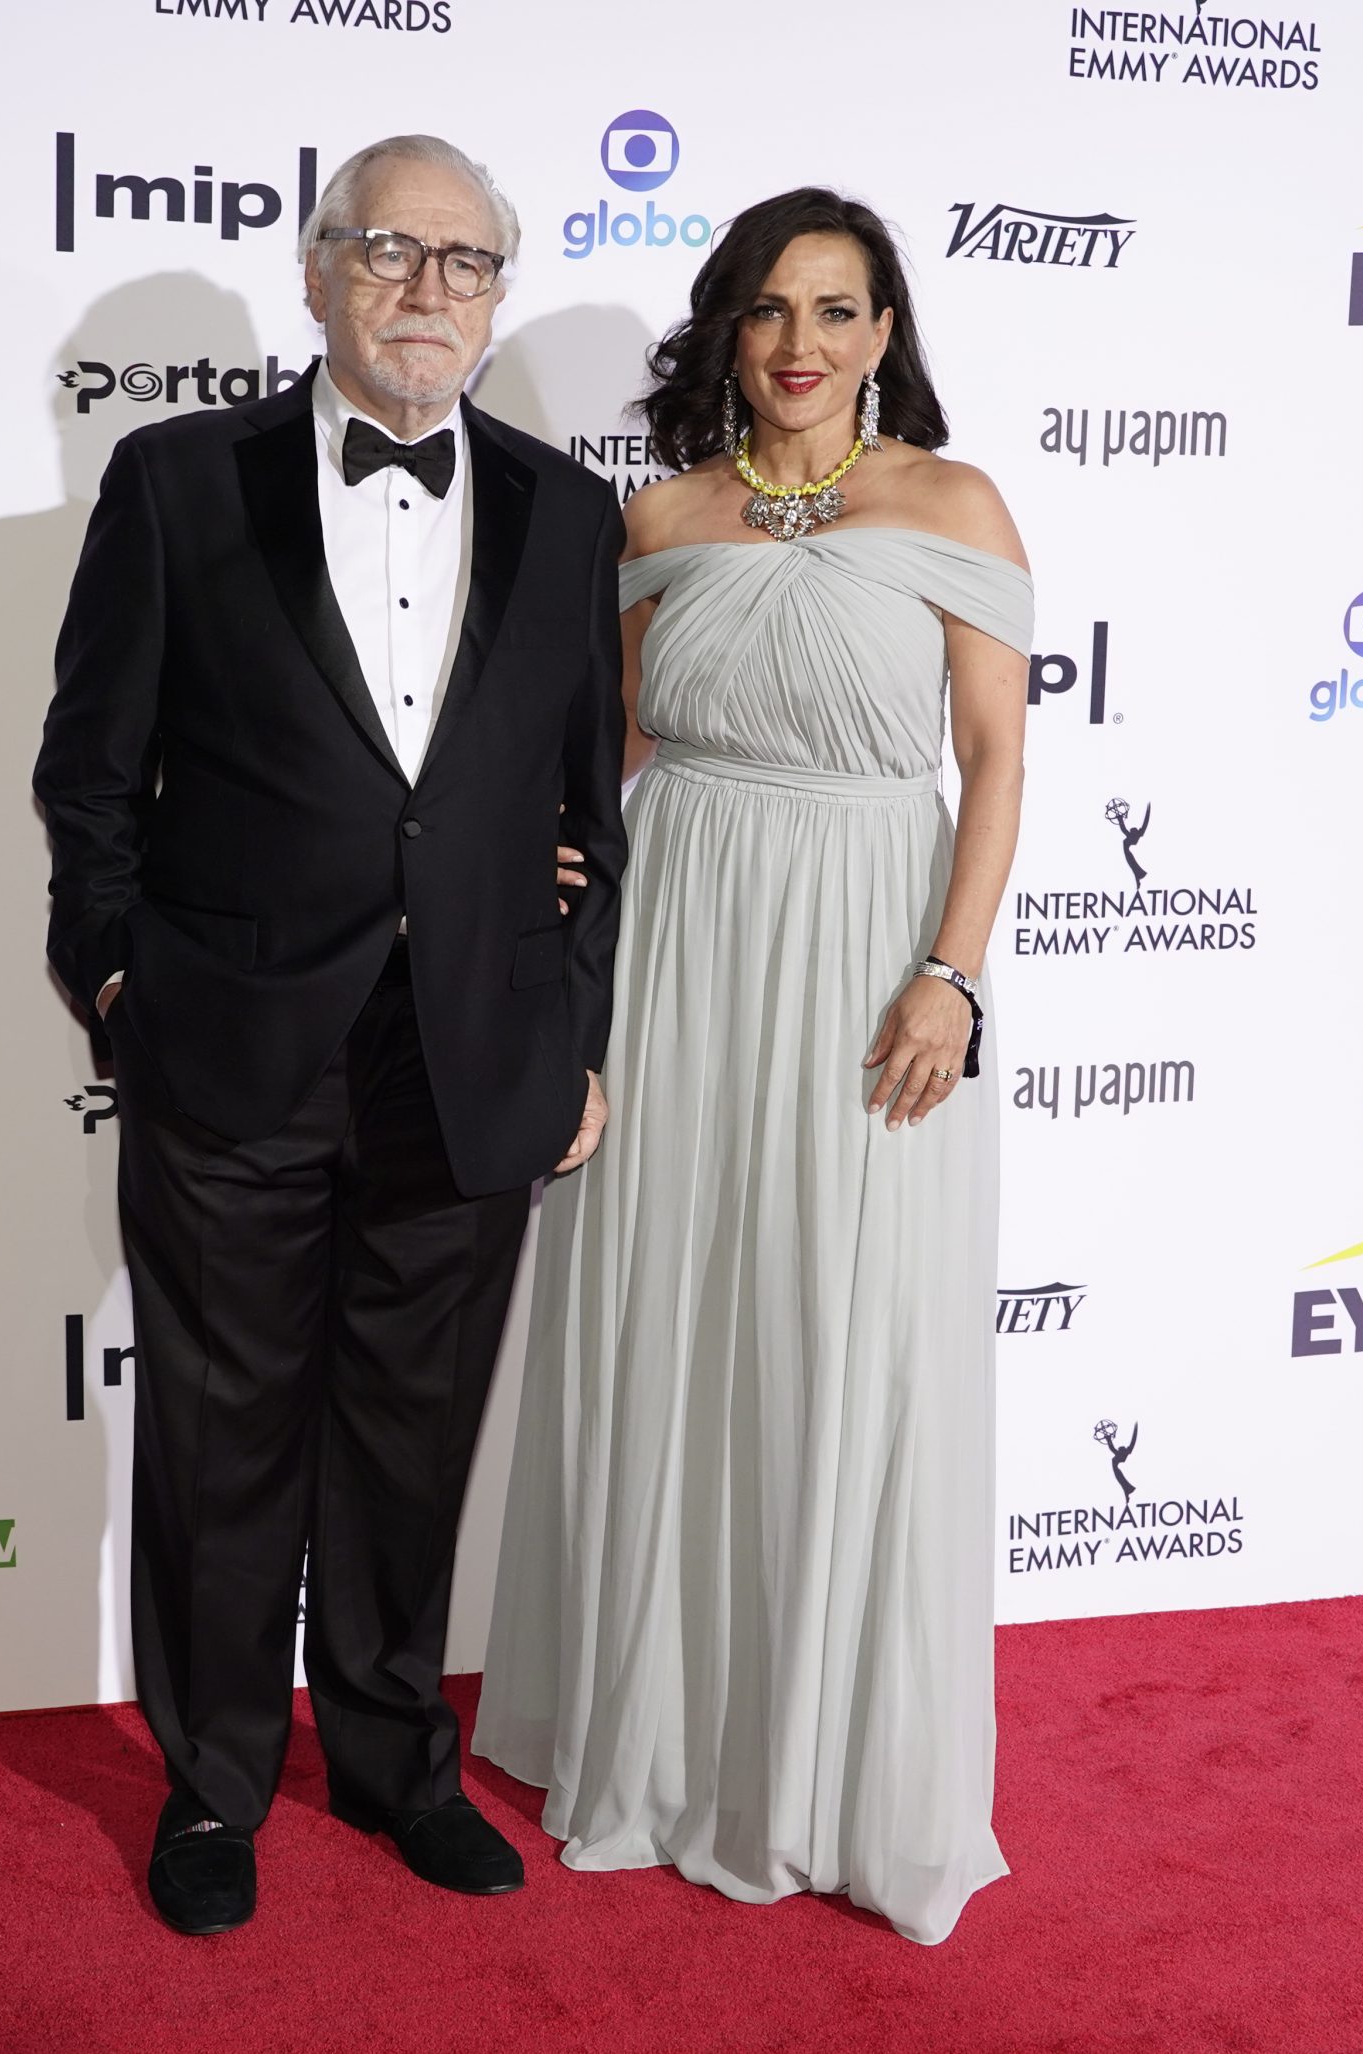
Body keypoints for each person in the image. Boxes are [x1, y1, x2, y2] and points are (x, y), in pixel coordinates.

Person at [31, 133, 628, 1937]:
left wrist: (571, 1029)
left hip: (470, 1055)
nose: (427, 289)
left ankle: (390, 1759)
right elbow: (89, 775)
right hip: (231, 1040)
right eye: (387, 250)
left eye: (465, 261)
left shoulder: (568, 512)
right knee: (221, 1439)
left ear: (497, 293)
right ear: (315, 274)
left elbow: (588, 811)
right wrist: (118, 983)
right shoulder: (176, 482)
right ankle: (213, 1785)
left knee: (413, 1436)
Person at [475, 187, 1033, 1946]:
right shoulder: (660, 516)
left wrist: (952, 974)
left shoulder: (953, 504)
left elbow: (996, 758)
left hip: (871, 949)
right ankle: (662, 1742)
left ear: (885, 335)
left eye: (837, 310)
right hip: (681, 947)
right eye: (772, 309)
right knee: (674, 1315)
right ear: (729, 329)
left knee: (847, 1324)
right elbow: (614, 752)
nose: (803, 343)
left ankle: (829, 1769)